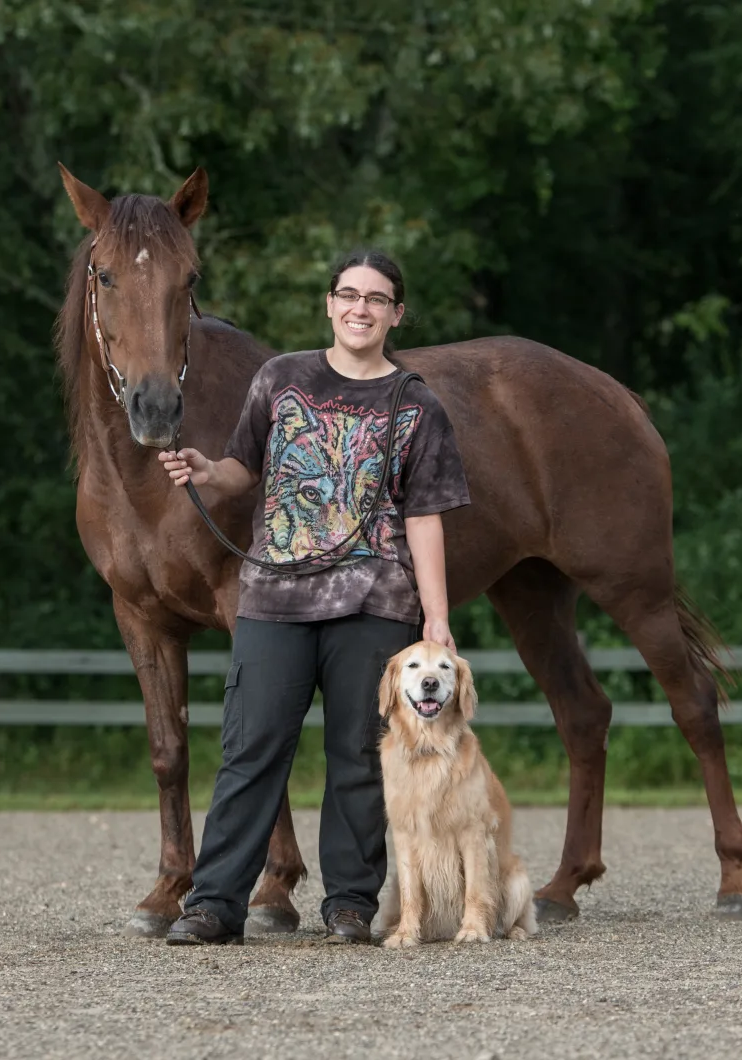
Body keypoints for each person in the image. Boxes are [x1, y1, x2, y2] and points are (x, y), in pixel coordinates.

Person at [159, 249, 471, 945]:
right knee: (250, 747)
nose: (361, 307)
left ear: (396, 314)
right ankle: (214, 904)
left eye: (377, 298)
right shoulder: (281, 378)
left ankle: (350, 904)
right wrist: (209, 470)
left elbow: (424, 515)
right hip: (273, 598)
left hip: (376, 602)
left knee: (359, 753)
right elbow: (245, 467)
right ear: (330, 304)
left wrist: (438, 617)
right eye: (349, 294)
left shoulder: (416, 404)